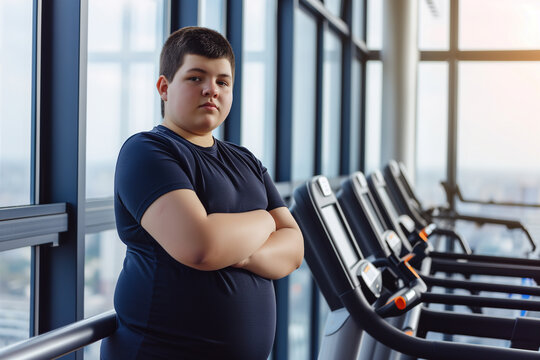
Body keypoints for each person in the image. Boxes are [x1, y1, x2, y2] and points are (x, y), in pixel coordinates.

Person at [100, 26, 304, 360]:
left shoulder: (246, 159)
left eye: (223, 82)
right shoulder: (148, 151)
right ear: (164, 88)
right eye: (196, 78)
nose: (212, 90)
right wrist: (266, 221)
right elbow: (201, 247)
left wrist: (238, 252)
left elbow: (294, 249)